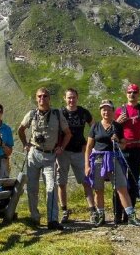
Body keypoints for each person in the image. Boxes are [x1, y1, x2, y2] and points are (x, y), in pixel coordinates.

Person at [18, 87, 72, 230]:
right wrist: (25, 144)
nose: (42, 99)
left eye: (45, 96)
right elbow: (20, 129)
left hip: (50, 155)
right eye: (40, 96)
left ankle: (52, 220)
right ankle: (34, 217)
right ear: (36, 98)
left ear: (49, 98)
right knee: (32, 188)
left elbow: (68, 133)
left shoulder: (57, 114)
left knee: (51, 186)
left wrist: (61, 147)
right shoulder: (31, 114)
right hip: (34, 154)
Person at [85, 99, 140, 227]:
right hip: (98, 158)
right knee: (98, 189)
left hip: (114, 157)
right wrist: (87, 165)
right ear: (101, 111)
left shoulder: (117, 126)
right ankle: (101, 216)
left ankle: (130, 216)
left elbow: (123, 145)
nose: (106, 112)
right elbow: (89, 147)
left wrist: (118, 141)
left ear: (112, 111)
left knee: (121, 187)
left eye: (109, 109)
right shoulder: (95, 126)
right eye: (103, 109)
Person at [56, 88, 96, 224]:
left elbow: (94, 126)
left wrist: (91, 144)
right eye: (69, 98)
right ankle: (64, 210)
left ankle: (92, 210)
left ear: (77, 98)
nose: (71, 100)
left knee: (86, 181)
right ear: (64, 98)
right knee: (61, 182)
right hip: (63, 152)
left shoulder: (84, 112)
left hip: (80, 151)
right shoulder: (60, 113)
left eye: (73, 97)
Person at [113, 83, 140, 224]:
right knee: (120, 182)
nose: (132, 95)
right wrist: (118, 122)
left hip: (137, 148)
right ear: (126, 94)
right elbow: (112, 130)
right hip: (122, 149)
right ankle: (118, 214)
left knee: (133, 182)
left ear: (138, 94)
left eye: (134, 92)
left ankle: (130, 214)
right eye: (129, 92)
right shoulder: (119, 110)